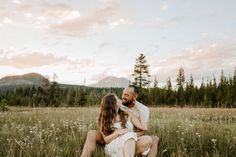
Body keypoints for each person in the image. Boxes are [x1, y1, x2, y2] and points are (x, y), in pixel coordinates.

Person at [81, 85, 159, 157]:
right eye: (121, 95)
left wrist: (138, 108)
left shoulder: (132, 112)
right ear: (113, 104)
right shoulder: (109, 116)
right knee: (91, 133)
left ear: (134, 97)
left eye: (126, 95)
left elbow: (143, 129)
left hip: (131, 139)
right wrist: (118, 133)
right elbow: (106, 139)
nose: (122, 98)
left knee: (148, 139)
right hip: (114, 142)